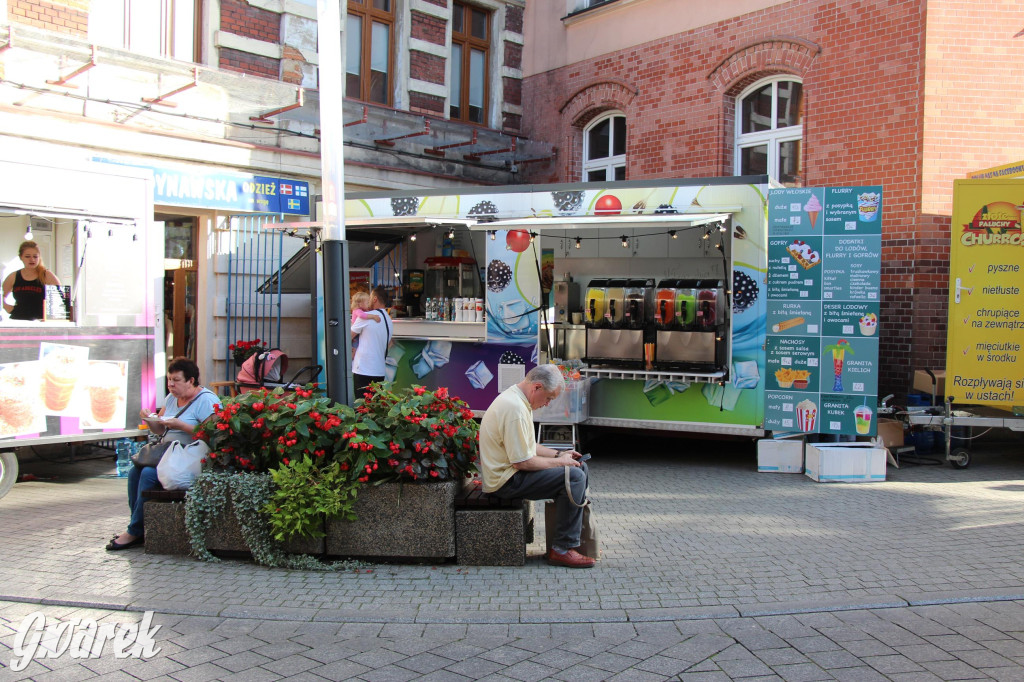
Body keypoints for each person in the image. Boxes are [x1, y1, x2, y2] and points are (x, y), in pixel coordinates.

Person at [478, 364, 596, 568]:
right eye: (549, 398)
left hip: (509, 475)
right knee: (573, 477)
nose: (548, 404)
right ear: (537, 387)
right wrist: (560, 462)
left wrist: (560, 454)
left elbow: (528, 446)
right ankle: (562, 549)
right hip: (505, 482)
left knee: (578, 468)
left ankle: (575, 542)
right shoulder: (515, 408)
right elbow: (522, 462)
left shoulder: (517, 400)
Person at [106, 357, 220, 551]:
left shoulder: (206, 400)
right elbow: (160, 431)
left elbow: (213, 435)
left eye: (176, 380)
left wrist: (181, 426)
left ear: (191, 381)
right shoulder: (171, 399)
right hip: (166, 453)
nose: (171, 385)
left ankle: (134, 530)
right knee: (135, 471)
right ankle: (137, 526)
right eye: (169, 380)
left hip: (188, 458)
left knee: (149, 474)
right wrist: (150, 420)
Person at [2, 240, 61, 321]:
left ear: (39, 257)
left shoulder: (47, 275)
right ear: (21, 257)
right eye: (27, 256)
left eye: (35, 256)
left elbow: (62, 300)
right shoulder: (13, 276)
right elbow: (2, 296)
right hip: (18, 321)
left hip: (40, 323)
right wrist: (8, 308)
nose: (32, 259)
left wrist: (51, 318)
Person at [351, 285, 392, 395]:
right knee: (374, 406)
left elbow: (347, 337)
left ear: (374, 299)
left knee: (361, 406)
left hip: (364, 369)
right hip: (379, 369)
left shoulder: (367, 316)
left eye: (370, 298)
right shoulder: (388, 319)